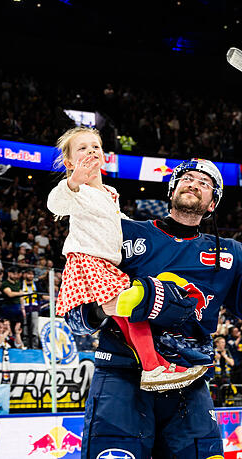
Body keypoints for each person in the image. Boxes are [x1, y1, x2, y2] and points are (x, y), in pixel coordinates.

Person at [64, 158, 242, 458]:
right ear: (172, 189)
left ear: (212, 204)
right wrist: (104, 309)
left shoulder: (231, 254)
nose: (194, 183)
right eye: (187, 178)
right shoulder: (121, 231)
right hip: (121, 376)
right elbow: (75, 313)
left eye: (204, 183)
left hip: (188, 382)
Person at [48, 127, 207, 390]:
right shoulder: (75, 192)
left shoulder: (109, 192)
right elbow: (55, 204)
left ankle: (154, 365)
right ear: (69, 162)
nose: (91, 151)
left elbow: (117, 224)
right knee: (134, 308)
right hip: (90, 262)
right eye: (82, 148)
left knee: (129, 315)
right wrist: (72, 182)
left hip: (105, 263)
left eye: (95, 146)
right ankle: (154, 367)